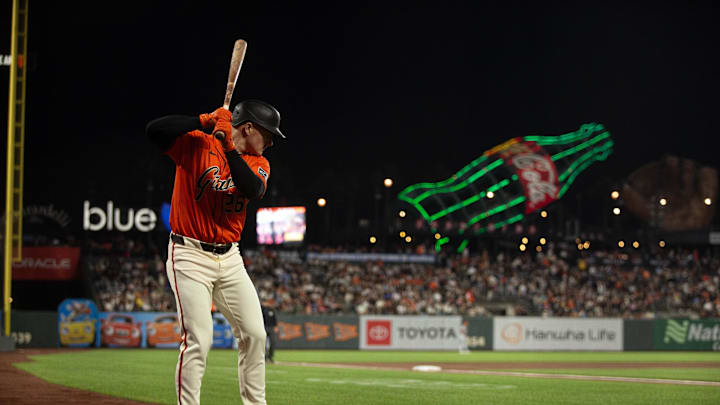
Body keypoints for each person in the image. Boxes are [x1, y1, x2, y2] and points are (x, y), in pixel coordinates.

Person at [146, 99, 286, 405]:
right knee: (199, 338)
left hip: (230, 257)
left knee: (255, 335)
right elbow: (154, 131)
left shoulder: (257, 162)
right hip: (189, 253)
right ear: (248, 128)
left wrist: (229, 148)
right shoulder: (198, 144)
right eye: (269, 133)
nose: (272, 141)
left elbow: (252, 189)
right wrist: (203, 120)